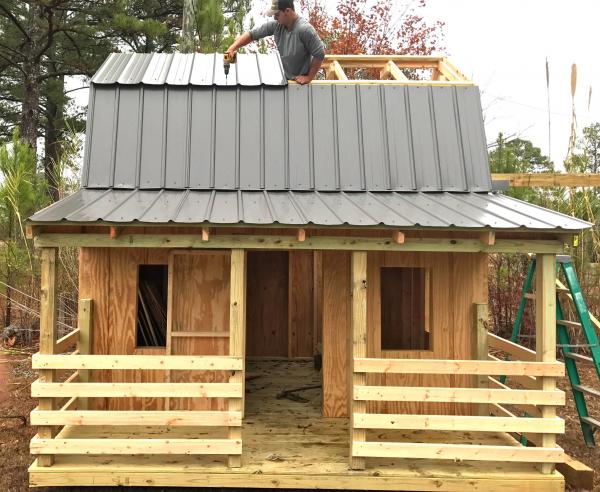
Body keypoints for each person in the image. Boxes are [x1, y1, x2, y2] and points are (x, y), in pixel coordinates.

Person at [226, 0, 325, 84]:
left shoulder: (304, 30)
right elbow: (252, 34)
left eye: (277, 14)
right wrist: (232, 48)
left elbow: (319, 53)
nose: (274, 18)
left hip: (301, 85)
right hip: (285, 81)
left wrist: (309, 77)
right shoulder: (277, 26)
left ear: (287, 11)